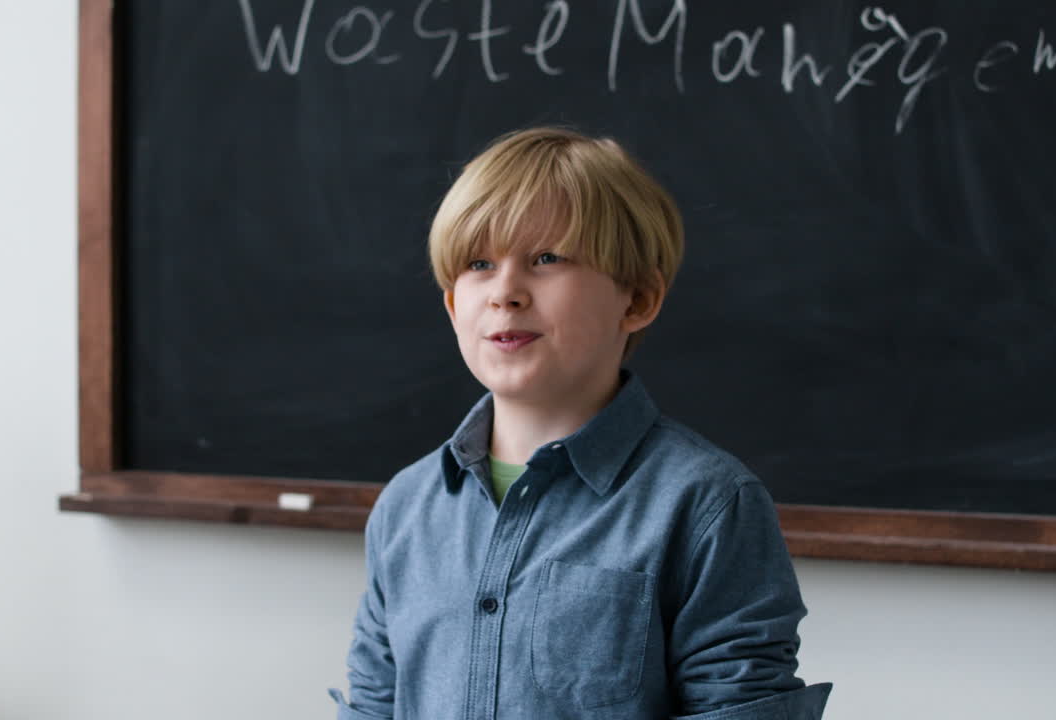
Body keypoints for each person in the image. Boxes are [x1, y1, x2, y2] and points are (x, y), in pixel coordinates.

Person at [330, 127, 831, 719]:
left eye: (546, 259)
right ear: (451, 305)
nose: (505, 292)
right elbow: (372, 706)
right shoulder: (408, 507)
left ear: (638, 300)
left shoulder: (706, 504)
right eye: (479, 264)